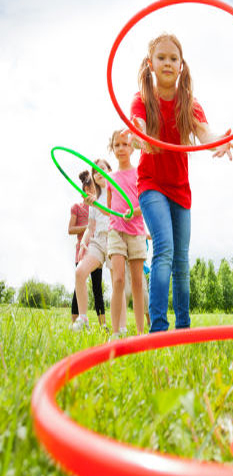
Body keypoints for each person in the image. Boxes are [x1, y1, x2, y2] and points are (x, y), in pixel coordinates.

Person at [127, 33, 233, 333]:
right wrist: (139, 139)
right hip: (151, 184)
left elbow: (205, 134)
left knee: (181, 259)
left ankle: (184, 328)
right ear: (151, 64)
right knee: (163, 247)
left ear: (181, 65)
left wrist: (221, 142)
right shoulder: (142, 100)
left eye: (173, 58)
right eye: (161, 58)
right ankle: (159, 329)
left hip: (180, 189)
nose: (167, 63)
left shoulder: (188, 103)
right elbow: (137, 129)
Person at [106, 130, 147, 337]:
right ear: (112, 149)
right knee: (119, 280)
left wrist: (134, 212)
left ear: (131, 147)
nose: (121, 148)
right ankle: (115, 332)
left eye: (124, 144)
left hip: (137, 230)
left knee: (138, 282)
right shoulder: (110, 178)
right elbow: (109, 208)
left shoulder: (139, 172)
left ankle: (140, 332)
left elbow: (145, 204)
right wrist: (91, 201)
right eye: (116, 145)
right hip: (116, 230)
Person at [72, 159, 113, 331]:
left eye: (102, 169)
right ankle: (83, 320)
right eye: (95, 171)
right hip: (97, 241)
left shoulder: (115, 191)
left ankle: (118, 327)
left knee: (119, 282)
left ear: (110, 171)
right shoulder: (94, 200)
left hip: (114, 238)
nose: (98, 173)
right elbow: (90, 227)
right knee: (80, 272)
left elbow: (114, 213)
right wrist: (83, 244)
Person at [68, 171, 105, 325]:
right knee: (79, 285)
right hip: (82, 251)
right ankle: (76, 322)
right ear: (83, 191)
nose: (89, 193)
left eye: (92, 190)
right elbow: (70, 229)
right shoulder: (77, 207)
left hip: (97, 250)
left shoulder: (99, 206)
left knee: (97, 288)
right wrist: (88, 229)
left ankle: (103, 324)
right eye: (87, 190)